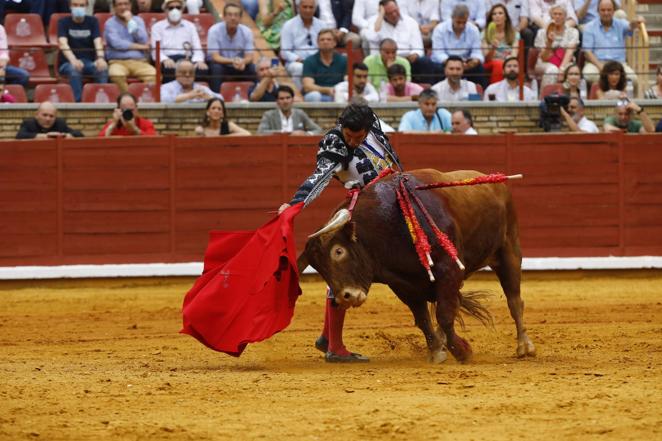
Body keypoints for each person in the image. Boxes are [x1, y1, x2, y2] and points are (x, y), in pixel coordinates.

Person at [277, 103, 403, 363]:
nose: (353, 142)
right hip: (362, 216)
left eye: (358, 137)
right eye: (349, 136)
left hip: (391, 208)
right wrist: (295, 204)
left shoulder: (375, 130)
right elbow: (319, 177)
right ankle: (335, 347)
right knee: (343, 270)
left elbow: (393, 162)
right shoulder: (334, 143)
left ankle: (327, 337)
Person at [363, 0, 436, 84]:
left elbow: (419, 48)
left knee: (425, 62)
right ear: (383, 13)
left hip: (407, 59)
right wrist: (380, 16)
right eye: (389, 13)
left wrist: (415, 54)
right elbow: (372, 37)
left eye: (395, 10)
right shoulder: (374, 22)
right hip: (384, 60)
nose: (394, 15)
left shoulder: (410, 22)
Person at [581, 0, 644, 89]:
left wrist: (636, 20)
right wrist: (602, 68)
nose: (606, 13)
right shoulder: (589, 27)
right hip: (597, 63)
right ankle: (600, 100)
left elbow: (630, 26)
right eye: (603, 10)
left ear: (614, 11)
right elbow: (587, 52)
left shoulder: (620, 23)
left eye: (609, 10)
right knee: (589, 75)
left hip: (618, 64)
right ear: (598, 11)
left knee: (633, 79)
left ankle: (630, 102)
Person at [57, 0, 109, 102]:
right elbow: (63, 43)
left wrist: (101, 58)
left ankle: (100, 103)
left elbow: (98, 41)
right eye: (75, 5)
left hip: (88, 62)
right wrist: (73, 60)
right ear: (70, 6)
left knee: (102, 68)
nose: (78, 8)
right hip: (68, 63)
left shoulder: (93, 21)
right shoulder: (63, 22)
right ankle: (78, 105)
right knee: (74, 69)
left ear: (86, 7)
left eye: (81, 5)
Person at [104, 0, 157, 92]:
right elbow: (117, 44)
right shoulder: (110, 23)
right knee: (115, 75)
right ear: (114, 7)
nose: (123, 7)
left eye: (126, 4)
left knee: (154, 75)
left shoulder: (138, 20)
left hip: (140, 62)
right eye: (119, 4)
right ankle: (127, 100)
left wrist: (130, 22)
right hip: (117, 62)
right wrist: (140, 47)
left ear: (131, 5)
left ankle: (143, 101)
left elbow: (143, 40)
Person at [151, 0, 208, 83]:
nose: (175, 10)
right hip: (169, 59)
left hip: (187, 58)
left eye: (178, 7)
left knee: (202, 69)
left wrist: (198, 60)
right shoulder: (157, 27)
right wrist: (164, 60)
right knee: (169, 69)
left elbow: (197, 47)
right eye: (171, 8)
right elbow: (156, 51)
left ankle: (196, 94)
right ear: (165, 10)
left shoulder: (190, 26)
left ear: (182, 10)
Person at [431, 4, 486, 89]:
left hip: (466, 63)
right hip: (445, 62)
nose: (461, 26)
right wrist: (452, 63)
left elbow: (477, 52)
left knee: (479, 68)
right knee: (437, 67)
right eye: (458, 22)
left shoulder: (473, 29)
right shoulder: (440, 29)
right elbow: (438, 54)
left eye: (464, 22)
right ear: (452, 18)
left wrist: (475, 60)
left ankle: (479, 96)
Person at [207, 3, 257, 93]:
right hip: (221, 64)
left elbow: (249, 57)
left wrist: (243, 62)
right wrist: (233, 61)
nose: (233, 18)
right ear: (224, 17)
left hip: (239, 64)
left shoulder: (247, 32)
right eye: (229, 15)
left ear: (240, 18)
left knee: (253, 68)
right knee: (216, 69)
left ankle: (253, 96)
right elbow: (215, 57)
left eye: (236, 15)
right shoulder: (214, 30)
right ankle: (216, 97)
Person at [279, 0, 324, 89]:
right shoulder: (289, 25)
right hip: (296, 62)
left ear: (315, 9)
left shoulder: (322, 25)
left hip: (317, 61)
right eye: (305, 7)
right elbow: (284, 52)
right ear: (298, 8)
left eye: (311, 7)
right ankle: (299, 96)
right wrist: (299, 59)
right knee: (299, 68)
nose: (308, 10)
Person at [534, 5, 579, 91]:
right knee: (552, 70)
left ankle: (569, 98)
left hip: (566, 61)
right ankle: (546, 96)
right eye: (555, 14)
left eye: (560, 14)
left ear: (565, 17)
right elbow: (544, 57)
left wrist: (562, 69)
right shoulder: (542, 33)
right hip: (544, 63)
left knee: (572, 71)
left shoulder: (573, 32)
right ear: (551, 16)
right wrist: (549, 43)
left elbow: (569, 53)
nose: (557, 16)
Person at [301, 29, 347, 102]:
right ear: (317, 43)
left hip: (337, 93)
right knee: (314, 96)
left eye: (329, 39)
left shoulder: (343, 60)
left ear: (335, 43)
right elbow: (307, 86)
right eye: (322, 40)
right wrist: (327, 90)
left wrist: (337, 91)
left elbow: (347, 81)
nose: (325, 42)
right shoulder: (309, 61)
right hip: (318, 94)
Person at [257, 85, 322, 134]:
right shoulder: (269, 115)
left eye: (288, 98)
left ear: (292, 99)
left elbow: (318, 130)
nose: (285, 101)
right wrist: (282, 133)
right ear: (277, 101)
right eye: (282, 98)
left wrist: (305, 134)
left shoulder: (300, 113)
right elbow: (261, 132)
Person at [482, 3, 519, 84]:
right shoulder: (484, 33)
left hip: (508, 62)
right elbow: (486, 59)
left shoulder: (514, 34)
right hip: (490, 63)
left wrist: (506, 63)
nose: (497, 16)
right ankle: (496, 90)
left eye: (500, 13)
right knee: (498, 64)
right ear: (491, 17)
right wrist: (493, 48)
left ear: (505, 17)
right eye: (494, 14)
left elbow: (514, 55)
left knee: (511, 66)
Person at [16, 102, 84, 139]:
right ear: (36, 115)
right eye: (45, 115)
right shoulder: (29, 123)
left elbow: (79, 134)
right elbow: (19, 136)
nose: (48, 119)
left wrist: (64, 136)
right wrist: (44, 136)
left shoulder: (60, 123)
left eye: (51, 116)